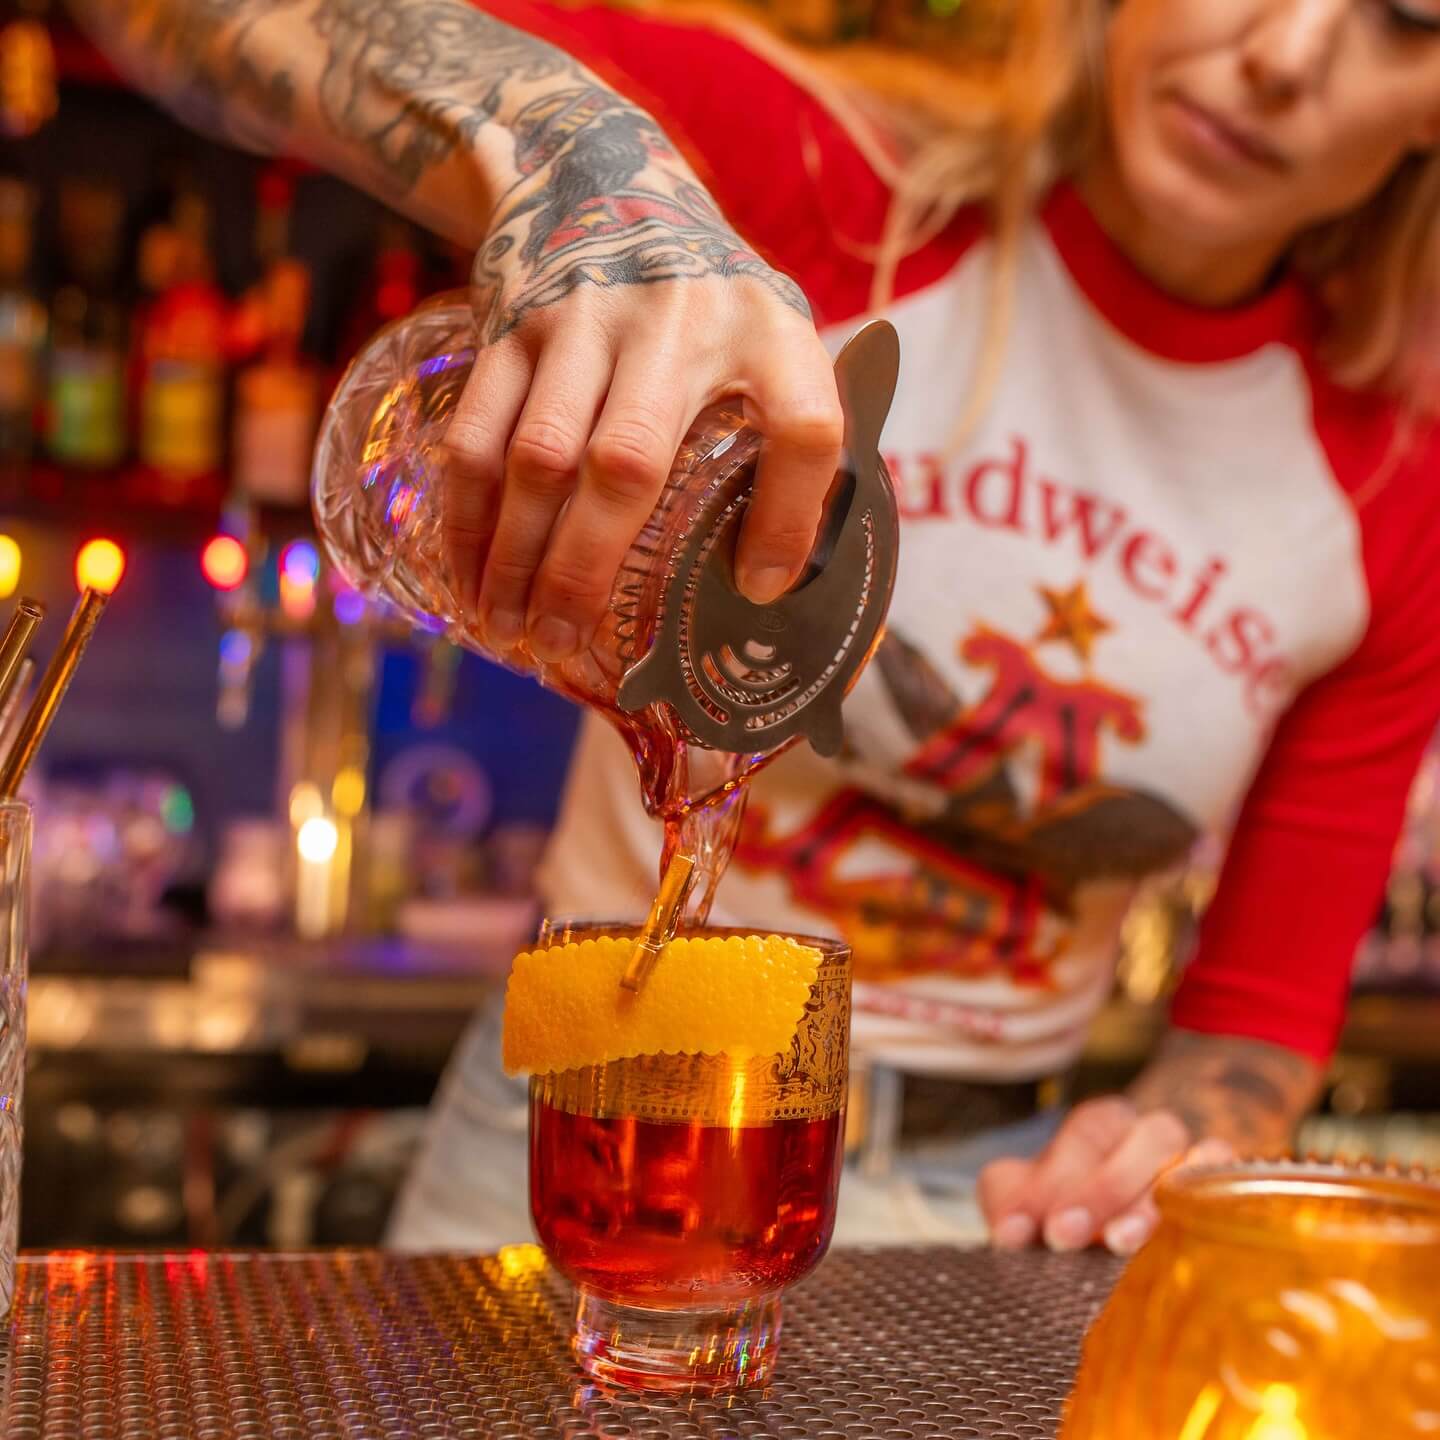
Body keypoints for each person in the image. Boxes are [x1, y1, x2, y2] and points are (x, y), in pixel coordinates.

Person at [78, 0, 1440, 1255]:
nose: (1287, 53)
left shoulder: (1395, 480)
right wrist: (590, 166)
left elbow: (1254, 1022)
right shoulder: (823, 180)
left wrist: (1178, 1147)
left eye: (1404, 19)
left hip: (1004, 1217)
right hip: (582, 1128)